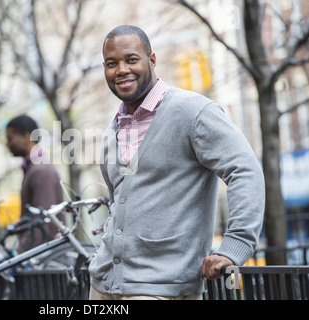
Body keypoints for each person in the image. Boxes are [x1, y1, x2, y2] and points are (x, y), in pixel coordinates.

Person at [88, 25, 265, 300]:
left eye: (131, 59)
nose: (121, 69)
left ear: (152, 60)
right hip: (104, 284)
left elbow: (245, 171)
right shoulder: (113, 130)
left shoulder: (193, 112)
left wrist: (235, 245)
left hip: (162, 287)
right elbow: (118, 204)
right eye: (112, 64)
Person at [5, 114, 65, 253]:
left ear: (26, 138)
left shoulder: (41, 171)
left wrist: (18, 255)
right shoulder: (34, 168)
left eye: (10, 138)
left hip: (48, 262)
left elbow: (41, 222)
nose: (7, 144)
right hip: (42, 258)